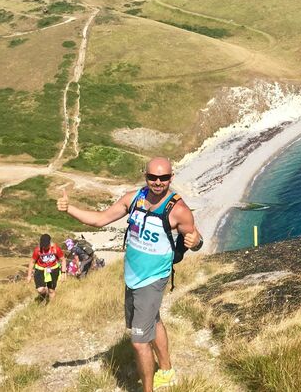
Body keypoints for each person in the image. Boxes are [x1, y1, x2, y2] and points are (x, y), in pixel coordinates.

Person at [57, 157, 202, 392]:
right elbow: (100, 219)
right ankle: (167, 371)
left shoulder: (179, 210)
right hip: (132, 275)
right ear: (145, 176)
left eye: (163, 178)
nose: (158, 182)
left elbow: (194, 238)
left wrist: (197, 242)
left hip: (153, 278)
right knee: (152, 320)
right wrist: (69, 209)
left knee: (138, 341)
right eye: (152, 177)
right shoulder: (133, 199)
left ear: (171, 178)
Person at [26, 233, 67, 304]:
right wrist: (29, 275)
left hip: (53, 270)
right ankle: (44, 295)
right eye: (43, 246)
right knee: (40, 289)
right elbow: (32, 262)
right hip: (40, 270)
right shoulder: (37, 250)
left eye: (46, 246)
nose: (44, 248)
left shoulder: (56, 248)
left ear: (50, 242)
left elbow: (63, 260)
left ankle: (51, 307)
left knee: (51, 290)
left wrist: (63, 273)